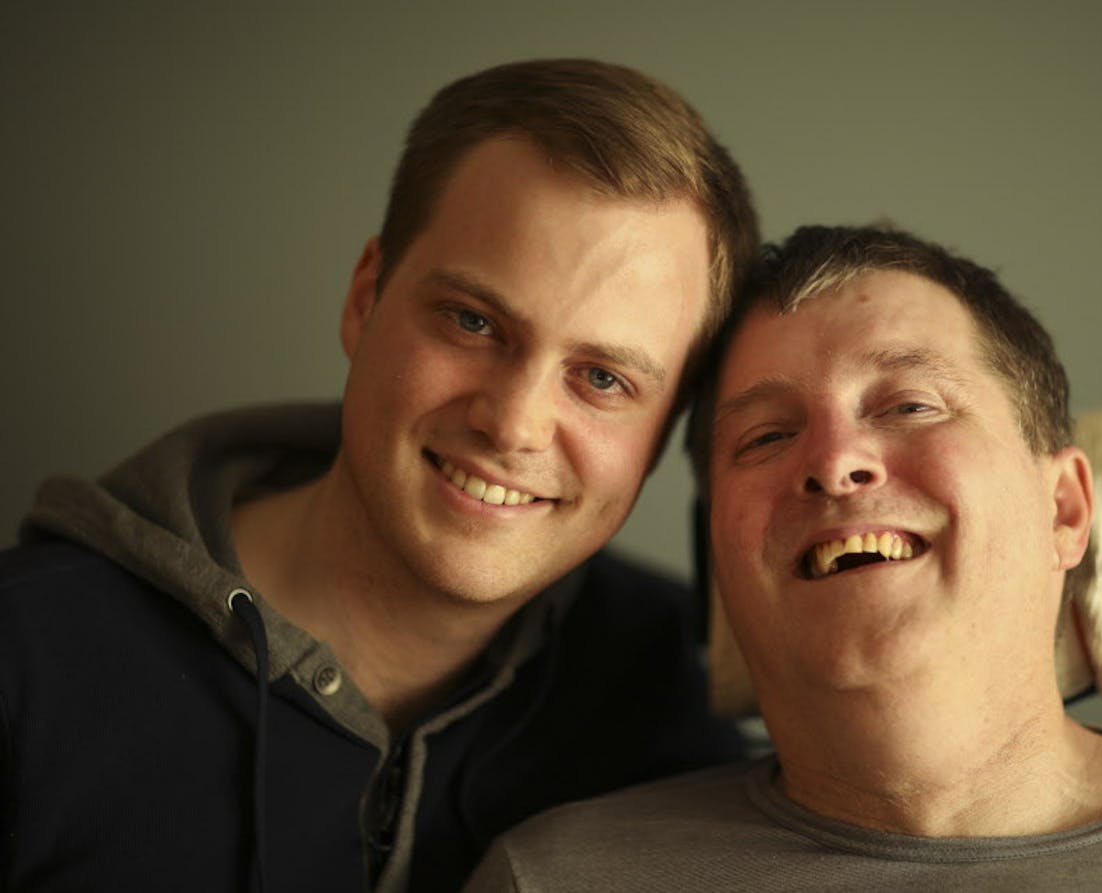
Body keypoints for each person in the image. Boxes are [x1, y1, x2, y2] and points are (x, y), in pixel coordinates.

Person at [467, 224, 1102, 891]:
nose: (834, 460)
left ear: (1064, 506)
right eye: (763, 436)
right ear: (721, 549)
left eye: (909, 405)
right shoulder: (559, 877)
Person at [0, 59, 759, 892]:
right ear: (366, 297)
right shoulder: (28, 659)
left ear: (667, 429)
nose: (512, 424)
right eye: (473, 321)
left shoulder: (677, 698)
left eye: (604, 378)